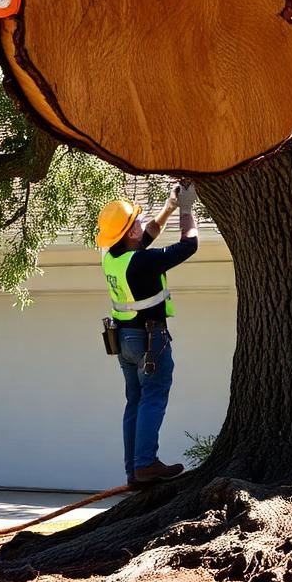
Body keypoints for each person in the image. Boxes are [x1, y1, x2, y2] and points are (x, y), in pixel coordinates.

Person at [95, 181, 199, 488]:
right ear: (129, 233)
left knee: (135, 401)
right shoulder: (141, 262)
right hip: (149, 341)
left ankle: (134, 470)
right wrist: (186, 208)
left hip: (125, 340)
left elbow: (147, 235)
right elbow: (189, 244)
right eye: (136, 221)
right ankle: (146, 465)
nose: (142, 222)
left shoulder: (112, 256)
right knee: (153, 396)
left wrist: (168, 207)